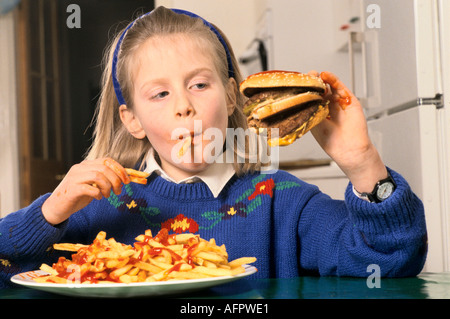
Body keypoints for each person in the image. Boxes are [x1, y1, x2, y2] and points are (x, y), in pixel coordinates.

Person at [0, 6, 427, 288]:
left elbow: (393, 260)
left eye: (199, 85)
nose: (184, 106)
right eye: (160, 94)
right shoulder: (102, 205)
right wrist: (50, 211)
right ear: (132, 120)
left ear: (229, 97)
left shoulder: (283, 201)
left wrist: (362, 163)